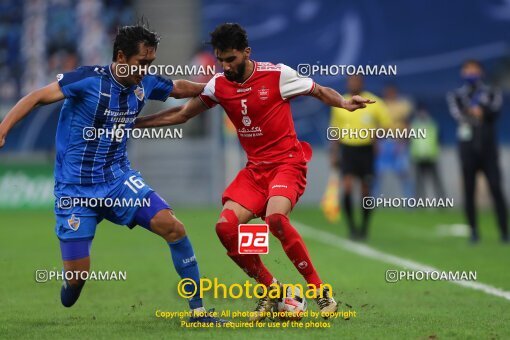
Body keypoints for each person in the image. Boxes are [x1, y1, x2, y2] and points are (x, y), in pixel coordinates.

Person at [135, 23, 375, 319]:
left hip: (287, 163)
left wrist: (344, 103)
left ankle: (319, 292)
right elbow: (183, 114)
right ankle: (273, 291)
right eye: (220, 59)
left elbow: (319, 90)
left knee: (275, 219)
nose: (225, 66)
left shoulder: (277, 75)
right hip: (255, 171)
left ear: (246, 53)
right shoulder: (220, 84)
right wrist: (134, 124)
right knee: (224, 227)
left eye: (231, 59)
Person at [0, 24, 226, 323]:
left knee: (173, 228)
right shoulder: (86, 79)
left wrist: (216, 88)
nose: (145, 70)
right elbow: (36, 97)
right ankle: (70, 286)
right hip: (75, 190)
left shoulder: (143, 83)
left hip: (118, 181)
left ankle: (198, 312)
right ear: (121, 56)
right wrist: (3, 130)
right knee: (77, 278)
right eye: (141, 63)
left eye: (150, 63)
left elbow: (176, 86)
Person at [447, 59, 508, 244]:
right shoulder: (456, 95)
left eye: (474, 70)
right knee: (469, 190)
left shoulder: (491, 92)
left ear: (481, 72)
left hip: (488, 148)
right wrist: (474, 112)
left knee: (496, 188)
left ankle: (504, 232)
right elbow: (458, 114)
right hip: (468, 149)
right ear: (462, 73)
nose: (471, 73)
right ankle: (473, 231)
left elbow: (495, 111)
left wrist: (481, 111)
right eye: (468, 70)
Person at [330, 75, 391, 240]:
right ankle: (352, 228)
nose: (353, 84)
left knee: (365, 190)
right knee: (348, 187)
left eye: (356, 81)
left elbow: (386, 125)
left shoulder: (373, 102)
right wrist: (334, 153)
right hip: (348, 149)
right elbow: (335, 130)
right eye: (351, 81)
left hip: (366, 150)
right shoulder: (340, 103)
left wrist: (376, 136)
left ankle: (364, 228)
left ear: (362, 83)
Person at [374, 84, 414, 199]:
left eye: (392, 92)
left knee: (404, 173)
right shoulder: (379, 106)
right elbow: (376, 125)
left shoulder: (403, 106)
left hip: (398, 142)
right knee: (377, 174)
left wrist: (404, 141)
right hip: (384, 142)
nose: (390, 94)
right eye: (388, 92)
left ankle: (409, 202)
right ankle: (372, 202)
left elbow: (407, 124)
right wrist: (376, 143)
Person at [409, 105, 445, 199]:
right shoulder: (414, 125)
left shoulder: (433, 125)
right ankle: (420, 204)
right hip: (418, 157)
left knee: (436, 182)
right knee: (419, 184)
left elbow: (438, 139)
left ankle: (442, 203)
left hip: (431, 157)